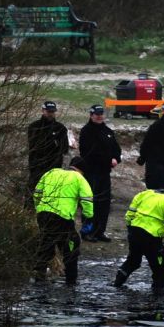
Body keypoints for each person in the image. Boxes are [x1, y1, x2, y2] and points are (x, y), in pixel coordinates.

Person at [113, 175, 164, 294]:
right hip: (151, 238)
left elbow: (129, 215)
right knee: (160, 268)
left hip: (134, 232)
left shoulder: (144, 194)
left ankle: (116, 283)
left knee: (133, 261)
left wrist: (130, 229)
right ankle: (158, 296)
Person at [33, 156, 93, 284]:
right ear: (81, 170)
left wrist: (38, 208)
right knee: (71, 246)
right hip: (62, 217)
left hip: (43, 215)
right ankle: (71, 281)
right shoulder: (79, 178)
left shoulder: (51, 173)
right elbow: (87, 200)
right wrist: (88, 217)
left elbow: (37, 192)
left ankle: (39, 275)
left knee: (46, 243)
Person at [78, 104, 122, 242]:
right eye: (97, 114)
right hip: (91, 172)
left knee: (104, 203)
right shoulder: (86, 131)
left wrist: (116, 158)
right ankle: (87, 231)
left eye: (101, 114)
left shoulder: (108, 131)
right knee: (91, 202)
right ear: (91, 115)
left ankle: (100, 231)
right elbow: (88, 152)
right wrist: (108, 159)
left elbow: (116, 149)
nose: (99, 116)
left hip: (105, 173)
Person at [27, 100, 69, 196]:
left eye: (52, 112)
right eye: (48, 111)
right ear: (43, 110)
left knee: (51, 195)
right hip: (37, 167)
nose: (51, 114)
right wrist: (53, 144)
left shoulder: (61, 128)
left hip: (54, 168)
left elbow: (64, 148)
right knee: (33, 194)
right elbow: (34, 146)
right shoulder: (34, 127)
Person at [136, 100, 164, 189]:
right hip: (154, 163)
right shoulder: (157, 126)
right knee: (154, 189)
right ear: (163, 111)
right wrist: (142, 158)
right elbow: (146, 143)